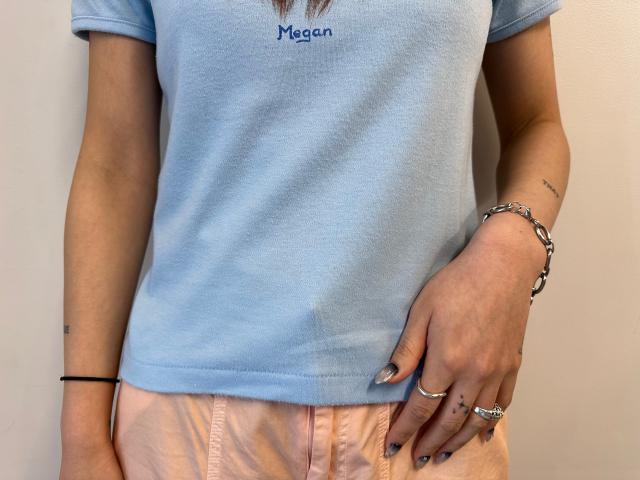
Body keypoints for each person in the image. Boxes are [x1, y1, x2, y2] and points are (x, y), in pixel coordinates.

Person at [59, 0, 570, 479]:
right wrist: (81, 433)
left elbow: (536, 125)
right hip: (188, 420)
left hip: (432, 401)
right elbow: (113, 165)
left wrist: (510, 255)